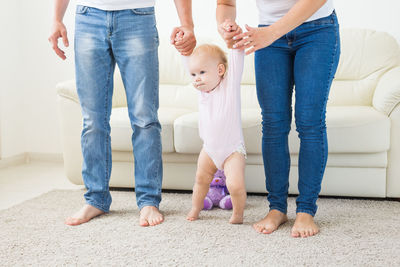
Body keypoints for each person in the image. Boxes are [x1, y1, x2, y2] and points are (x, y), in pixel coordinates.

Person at [48, 0, 196, 227]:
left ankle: (148, 201)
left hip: (137, 16)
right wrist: (56, 18)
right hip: (88, 16)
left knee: (145, 119)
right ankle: (96, 199)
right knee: (92, 121)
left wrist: (187, 24)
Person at [216, 0, 340, 237]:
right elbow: (225, 3)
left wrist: (271, 33)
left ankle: (305, 210)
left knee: (310, 122)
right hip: (267, 35)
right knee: (273, 124)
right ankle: (277, 209)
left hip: (317, 29)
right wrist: (225, 25)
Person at [175, 21, 247, 224]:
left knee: (235, 185)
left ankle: (238, 214)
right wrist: (182, 42)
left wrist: (233, 39)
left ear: (221, 70)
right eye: (194, 75)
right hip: (209, 149)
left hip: (233, 150)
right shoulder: (202, 92)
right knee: (200, 180)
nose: (197, 79)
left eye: (202, 73)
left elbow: (236, 57)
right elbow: (188, 61)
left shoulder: (229, 86)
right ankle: (195, 209)